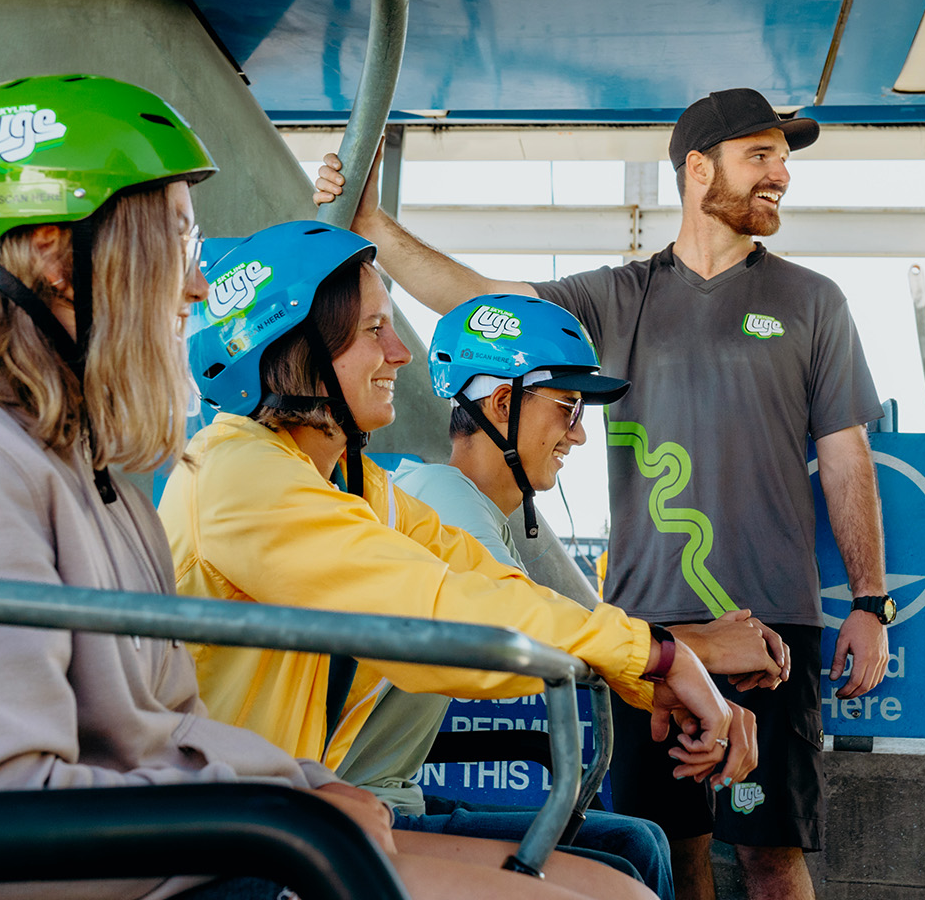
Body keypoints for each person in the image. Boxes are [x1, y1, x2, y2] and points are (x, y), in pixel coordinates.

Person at [0, 73, 660, 900]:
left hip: (164, 854)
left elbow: (165, 724)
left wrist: (304, 789)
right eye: (176, 238)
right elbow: (3, 832)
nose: (197, 282)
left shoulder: (77, 465)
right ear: (57, 255)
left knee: (613, 885)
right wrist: (279, 818)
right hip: (89, 876)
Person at [311, 88, 893, 900]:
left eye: (783, 159)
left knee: (772, 856)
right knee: (668, 847)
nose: (781, 176)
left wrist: (871, 601)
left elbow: (845, 457)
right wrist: (374, 228)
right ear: (698, 169)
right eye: (761, 156)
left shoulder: (811, 301)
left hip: (770, 631)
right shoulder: (616, 296)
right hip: (642, 626)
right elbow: (489, 311)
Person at [159, 224, 764, 855]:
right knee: (620, 875)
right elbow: (438, 611)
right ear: (295, 348)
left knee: (634, 854)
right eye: (374, 331)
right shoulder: (241, 475)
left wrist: (646, 667)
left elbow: (478, 578)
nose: (400, 352)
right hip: (225, 835)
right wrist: (658, 657)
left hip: (287, 805)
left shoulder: (356, 483)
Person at [333, 294, 795, 900]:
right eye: (568, 407)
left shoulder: (469, 511)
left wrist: (665, 678)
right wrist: (693, 649)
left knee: (638, 843)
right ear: (502, 405)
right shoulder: (442, 499)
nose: (578, 434)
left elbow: (552, 625)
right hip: (357, 808)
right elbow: (517, 635)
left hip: (393, 795)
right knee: (628, 863)